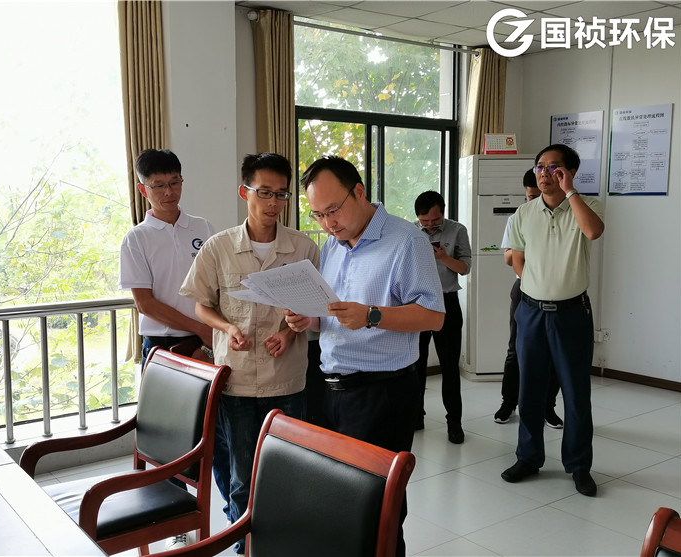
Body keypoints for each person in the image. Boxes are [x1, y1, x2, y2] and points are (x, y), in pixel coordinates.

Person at [284, 155, 445, 557]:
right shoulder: (333, 246)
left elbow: (434, 316)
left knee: (379, 506)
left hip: (381, 393)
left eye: (333, 210)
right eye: (319, 215)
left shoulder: (406, 241)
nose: (328, 223)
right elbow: (336, 315)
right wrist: (309, 319)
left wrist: (373, 315)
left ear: (358, 191)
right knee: (338, 498)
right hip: (329, 387)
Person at [180, 152, 320, 556]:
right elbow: (201, 305)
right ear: (245, 192)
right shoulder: (218, 247)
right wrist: (226, 328)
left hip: (287, 379)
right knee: (242, 473)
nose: (273, 203)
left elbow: (313, 309)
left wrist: (289, 332)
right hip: (236, 381)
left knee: (289, 469)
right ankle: (245, 545)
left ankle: (283, 543)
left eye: (281, 194)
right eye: (265, 192)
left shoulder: (303, 248)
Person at [118, 148, 223, 550]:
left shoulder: (203, 227)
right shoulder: (137, 238)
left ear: (182, 181)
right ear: (143, 190)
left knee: (212, 434)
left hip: (205, 343)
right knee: (167, 439)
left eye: (174, 182)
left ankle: (224, 514)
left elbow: (216, 287)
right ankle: (170, 523)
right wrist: (198, 327)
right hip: (163, 349)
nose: (168, 192)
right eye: (158, 185)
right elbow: (145, 303)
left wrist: (212, 331)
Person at [501, 144, 604, 497]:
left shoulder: (587, 205)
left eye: (554, 167)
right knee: (529, 389)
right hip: (531, 312)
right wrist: (534, 285)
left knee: (576, 393)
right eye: (540, 167)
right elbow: (516, 257)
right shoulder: (524, 212)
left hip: (572, 315)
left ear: (570, 172)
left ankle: (579, 465)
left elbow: (593, 232)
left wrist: (570, 191)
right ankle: (528, 458)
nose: (545, 173)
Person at [494, 169, 562, 428]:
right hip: (524, 289)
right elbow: (508, 257)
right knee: (516, 349)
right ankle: (508, 403)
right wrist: (522, 256)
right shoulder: (519, 217)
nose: (535, 200)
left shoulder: (562, 216)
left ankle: (547, 407)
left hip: (557, 291)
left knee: (553, 351)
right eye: (531, 196)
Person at [413, 191, 471, 443]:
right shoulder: (410, 232)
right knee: (415, 365)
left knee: (449, 367)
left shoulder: (457, 230)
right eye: (424, 221)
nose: (429, 225)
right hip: (417, 304)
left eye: (434, 220)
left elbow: (465, 268)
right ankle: (416, 415)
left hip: (447, 303)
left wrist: (444, 257)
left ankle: (454, 422)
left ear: (443, 213)